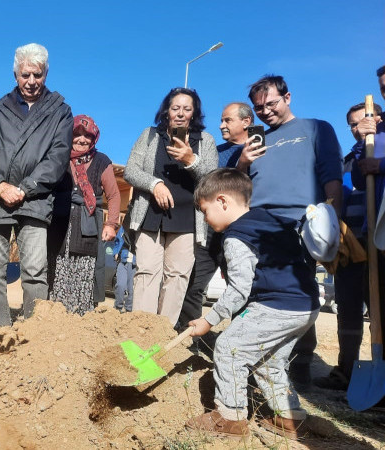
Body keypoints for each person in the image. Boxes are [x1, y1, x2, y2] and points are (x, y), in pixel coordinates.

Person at [186, 168, 320, 440]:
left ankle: (230, 417)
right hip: (306, 305)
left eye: (205, 210)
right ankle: (289, 417)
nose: (205, 218)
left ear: (222, 201)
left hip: (275, 305)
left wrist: (208, 320)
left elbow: (238, 290)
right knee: (269, 361)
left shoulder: (237, 236)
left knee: (228, 348)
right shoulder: (271, 221)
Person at [244, 74, 343, 389]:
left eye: (271, 103)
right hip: (258, 223)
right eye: (259, 108)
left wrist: (334, 218)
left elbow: (331, 174)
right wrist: (243, 162)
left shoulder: (316, 128)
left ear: (287, 98)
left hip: (300, 222)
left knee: (299, 293)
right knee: (257, 293)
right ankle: (257, 359)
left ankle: (299, 364)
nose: (265, 111)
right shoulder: (257, 140)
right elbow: (239, 184)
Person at [0, 43, 73, 329]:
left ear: (46, 74)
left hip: (35, 200)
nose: (31, 81)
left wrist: (26, 187)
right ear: (15, 74)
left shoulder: (60, 112)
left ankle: (34, 331)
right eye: (25, 75)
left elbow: (58, 156)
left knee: (35, 271)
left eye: (37, 75)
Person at [123, 88, 218, 325]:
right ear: (166, 111)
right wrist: (154, 184)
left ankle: (163, 333)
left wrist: (191, 160)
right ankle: (141, 330)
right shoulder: (150, 135)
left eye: (187, 109)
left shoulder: (205, 141)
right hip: (150, 217)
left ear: (194, 113)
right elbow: (130, 170)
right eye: (175, 108)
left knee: (177, 277)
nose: (180, 114)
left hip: (187, 221)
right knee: (146, 273)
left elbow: (212, 180)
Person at [314, 98, 385, 390]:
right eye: (352, 125)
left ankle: (380, 374)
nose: (357, 128)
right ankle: (345, 371)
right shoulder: (347, 161)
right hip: (350, 245)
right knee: (348, 308)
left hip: (378, 242)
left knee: (380, 309)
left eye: (362, 122)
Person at [176, 102, 254, 331]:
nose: (221, 125)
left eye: (227, 120)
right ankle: (192, 337)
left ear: (246, 122)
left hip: (244, 231)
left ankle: (241, 337)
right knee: (194, 284)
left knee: (241, 286)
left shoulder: (263, 152)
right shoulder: (216, 153)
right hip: (210, 231)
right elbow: (208, 185)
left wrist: (246, 163)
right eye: (221, 120)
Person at [47, 114, 120, 315]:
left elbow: (114, 195)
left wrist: (111, 224)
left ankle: (80, 318)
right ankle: (55, 318)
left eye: (87, 135)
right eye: (77, 134)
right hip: (59, 223)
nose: (82, 139)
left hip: (88, 226)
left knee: (85, 269)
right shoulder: (59, 156)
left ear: (94, 138)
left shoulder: (101, 161)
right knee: (56, 266)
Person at [113, 226, 135, 313]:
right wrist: (116, 252)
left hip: (134, 264)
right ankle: (118, 307)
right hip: (122, 262)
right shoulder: (123, 228)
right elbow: (117, 241)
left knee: (131, 290)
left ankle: (129, 309)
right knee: (120, 285)